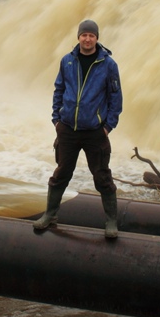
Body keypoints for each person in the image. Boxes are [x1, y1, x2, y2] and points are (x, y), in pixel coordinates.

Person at [33, 19, 123, 238]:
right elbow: (59, 89)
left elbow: (115, 98)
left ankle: (111, 222)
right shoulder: (68, 61)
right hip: (67, 129)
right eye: (84, 35)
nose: (87, 39)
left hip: (95, 131)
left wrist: (107, 127)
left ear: (97, 38)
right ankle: (50, 214)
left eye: (92, 35)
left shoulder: (108, 64)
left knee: (102, 176)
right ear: (78, 37)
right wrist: (56, 119)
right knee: (61, 173)